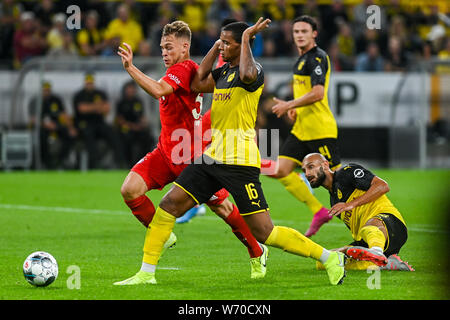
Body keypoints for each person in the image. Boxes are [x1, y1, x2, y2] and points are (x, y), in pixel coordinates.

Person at [115, 18, 346, 286]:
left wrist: (246, 38)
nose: (222, 46)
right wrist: (215, 49)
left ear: (242, 45)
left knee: (264, 232)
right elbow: (198, 82)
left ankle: (328, 257)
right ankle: (146, 273)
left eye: (227, 43)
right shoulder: (222, 74)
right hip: (212, 156)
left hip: (240, 161)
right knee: (168, 206)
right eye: (221, 41)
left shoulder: (253, 72)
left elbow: (246, 74)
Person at [114, 20, 268, 284]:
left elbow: (158, 90)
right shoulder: (184, 70)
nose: (164, 52)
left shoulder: (183, 68)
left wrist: (130, 68)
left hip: (188, 156)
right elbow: (203, 87)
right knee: (130, 189)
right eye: (162, 47)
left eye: (169, 47)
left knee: (223, 208)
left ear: (185, 47)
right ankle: (161, 234)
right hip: (165, 152)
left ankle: (257, 249)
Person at [270, 15, 341, 237]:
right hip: (302, 129)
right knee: (280, 170)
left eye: (304, 31)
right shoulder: (300, 60)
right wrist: (295, 109)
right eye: (296, 32)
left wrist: (289, 103)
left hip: (320, 129)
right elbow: (306, 93)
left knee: (340, 184)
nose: (299, 35)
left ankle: (367, 226)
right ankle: (318, 211)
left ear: (314, 34)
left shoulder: (317, 58)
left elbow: (318, 93)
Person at [301, 153, 414, 271]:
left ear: (325, 165)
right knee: (324, 262)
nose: (307, 174)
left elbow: (382, 186)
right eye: (304, 170)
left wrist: (350, 204)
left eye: (311, 167)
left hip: (391, 225)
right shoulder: (334, 202)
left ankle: (376, 253)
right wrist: (347, 250)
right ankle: (385, 263)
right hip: (368, 241)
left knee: (370, 226)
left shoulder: (346, 172)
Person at [72, 73, 125, 169]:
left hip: (99, 122)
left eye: (91, 83)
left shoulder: (100, 93)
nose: (89, 85)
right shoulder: (79, 95)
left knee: (113, 133)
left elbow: (106, 109)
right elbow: (81, 109)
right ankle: (94, 163)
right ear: (85, 83)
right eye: (88, 83)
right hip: (85, 123)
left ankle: (120, 161)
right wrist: (97, 107)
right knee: (88, 135)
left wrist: (90, 107)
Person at [28, 81, 77, 169]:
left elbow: (64, 115)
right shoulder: (35, 101)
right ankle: (46, 162)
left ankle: (62, 159)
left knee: (70, 135)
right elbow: (33, 119)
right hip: (41, 127)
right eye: (44, 90)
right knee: (41, 137)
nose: (46, 92)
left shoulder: (56, 100)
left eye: (48, 90)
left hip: (56, 125)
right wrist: (45, 124)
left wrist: (71, 128)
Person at [115, 80, 154, 168]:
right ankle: (127, 163)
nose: (131, 91)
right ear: (125, 90)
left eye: (133, 89)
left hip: (137, 127)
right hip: (126, 127)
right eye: (129, 89)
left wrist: (143, 123)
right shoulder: (121, 102)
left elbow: (141, 116)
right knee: (126, 138)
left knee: (147, 137)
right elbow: (119, 120)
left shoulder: (138, 101)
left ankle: (144, 162)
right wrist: (132, 126)